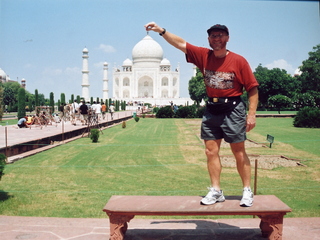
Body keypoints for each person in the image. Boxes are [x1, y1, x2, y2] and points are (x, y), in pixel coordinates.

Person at [145, 22, 259, 207]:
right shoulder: (203, 55)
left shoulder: (239, 61)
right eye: (213, 36)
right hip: (212, 109)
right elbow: (181, 44)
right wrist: (162, 31)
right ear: (209, 39)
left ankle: (246, 190)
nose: (217, 39)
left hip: (233, 109)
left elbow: (252, 89)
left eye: (220, 35)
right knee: (210, 151)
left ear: (227, 38)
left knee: (238, 151)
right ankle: (216, 190)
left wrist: (251, 114)